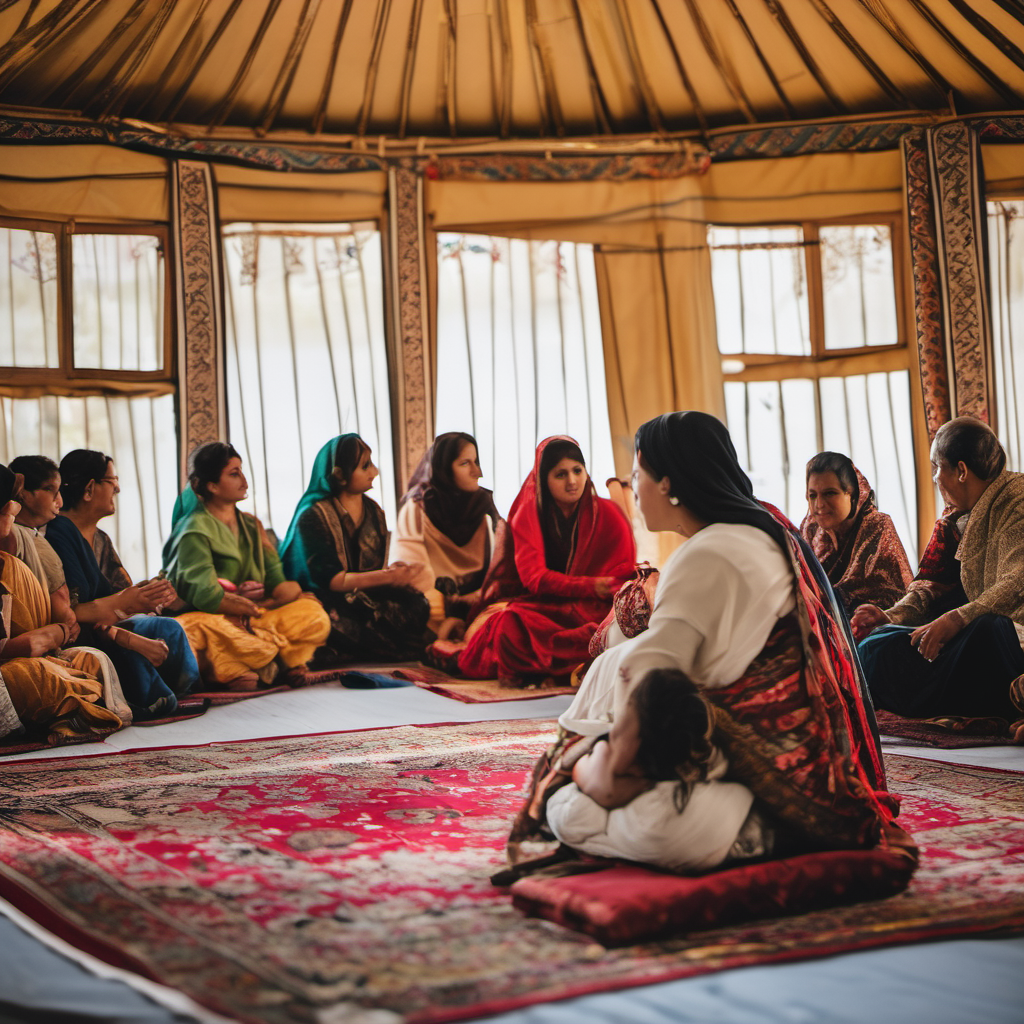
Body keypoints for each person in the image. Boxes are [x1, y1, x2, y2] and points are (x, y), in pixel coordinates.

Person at [555, 412, 905, 857]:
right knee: (612, 666)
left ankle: (746, 824)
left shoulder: (708, 553)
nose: (632, 487)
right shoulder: (766, 525)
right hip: (796, 756)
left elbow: (654, 685)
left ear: (667, 483)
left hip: (764, 766)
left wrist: (589, 768)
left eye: (636, 474)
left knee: (574, 809)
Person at [854, 417, 1024, 733]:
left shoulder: (1018, 499)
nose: (935, 478)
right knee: (874, 646)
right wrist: (890, 617)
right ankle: (982, 706)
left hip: (1007, 637)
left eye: (937, 467)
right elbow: (931, 584)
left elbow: (1015, 583)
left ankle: (994, 705)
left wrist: (955, 620)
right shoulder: (952, 519)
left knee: (990, 629)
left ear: (960, 470)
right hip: (964, 638)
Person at [439, 436, 635, 683]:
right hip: (549, 608)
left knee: (617, 631)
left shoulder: (609, 514)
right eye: (560, 474)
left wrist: (600, 590)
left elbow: (622, 578)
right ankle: (570, 669)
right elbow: (535, 579)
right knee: (508, 622)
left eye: (578, 470)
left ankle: (556, 671)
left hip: (598, 608)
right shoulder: (528, 515)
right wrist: (593, 585)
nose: (572, 481)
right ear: (544, 478)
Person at [545, 668, 767, 872]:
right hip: (724, 838)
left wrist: (603, 753)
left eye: (622, 725)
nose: (614, 732)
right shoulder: (707, 760)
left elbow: (602, 787)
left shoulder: (636, 805)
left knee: (570, 812)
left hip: (670, 827)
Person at [163, 442, 331, 689]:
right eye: (234, 474)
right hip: (212, 618)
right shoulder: (193, 531)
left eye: (241, 471)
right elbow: (205, 596)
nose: (244, 480)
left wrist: (280, 598)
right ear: (211, 485)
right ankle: (272, 661)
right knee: (191, 629)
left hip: (253, 618)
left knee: (313, 614)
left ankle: (253, 660)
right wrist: (241, 606)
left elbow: (277, 581)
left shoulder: (252, 526)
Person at [44, 450, 199, 718]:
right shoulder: (60, 532)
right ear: (90, 488)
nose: (117, 487)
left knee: (168, 628)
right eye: (112, 479)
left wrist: (151, 594)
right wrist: (125, 624)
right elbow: (78, 608)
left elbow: (119, 592)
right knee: (151, 638)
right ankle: (158, 694)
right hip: (85, 626)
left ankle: (178, 691)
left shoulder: (99, 539)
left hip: (109, 618)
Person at [0, 463, 129, 745]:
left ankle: (73, 707)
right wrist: (52, 634)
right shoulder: (48, 534)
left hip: (41, 647)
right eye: (8, 506)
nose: (13, 509)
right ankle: (72, 710)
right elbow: (21, 645)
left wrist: (51, 636)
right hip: (16, 663)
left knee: (90, 658)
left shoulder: (38, 544)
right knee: (33, 674)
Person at [278, 434, 431, 663]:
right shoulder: (312, 516)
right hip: (323, 599)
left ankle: (352, 650)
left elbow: (373, 570)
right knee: (330, 618)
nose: (375, 472)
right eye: (365, 466)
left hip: (362, 595)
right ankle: (348, 649)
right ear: (339, 474)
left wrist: (395, 574)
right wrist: (388, 576)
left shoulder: (374, 511)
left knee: (417, 602)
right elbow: (333, 581)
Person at [391, 431, 498, 633]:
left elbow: (502, 565)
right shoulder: (417, 509)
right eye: (465, 463)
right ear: (443, 469)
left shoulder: (484, 506)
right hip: (428, 607)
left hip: (478, 602)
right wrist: (440, 620)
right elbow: (410, 572)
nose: (478, 472)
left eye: (476, 462)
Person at [800, 452, 912, 616]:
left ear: (853, 495)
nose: (819, 504)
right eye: (812, 495)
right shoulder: (810, 529)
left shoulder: (877, 526)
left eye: (830, 493)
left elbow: (893, 599)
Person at [7, 455, 78, 643]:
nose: (60, 502)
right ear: (23, 493)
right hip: (38, 638)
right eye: (49, 489)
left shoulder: (37, 534)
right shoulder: (13, 534)